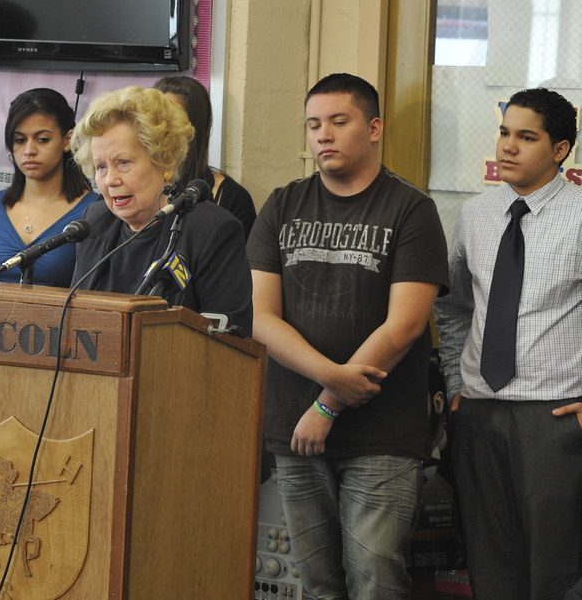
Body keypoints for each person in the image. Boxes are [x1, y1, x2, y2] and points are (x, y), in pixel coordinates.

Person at [246, 73, 448, 599]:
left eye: (339, 121)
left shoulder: (411, 209)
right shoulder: (282, 204)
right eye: (314, 124)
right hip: (294, 427)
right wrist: (330, 381)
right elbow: (260, 316)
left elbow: (405, 325)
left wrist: (328, 405)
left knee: (375, 581)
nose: (323, 135)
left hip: (381, 435)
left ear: (374, 128)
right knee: (318, 586)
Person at [435, 87, 582, 600]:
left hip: (554, 417)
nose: (508, 146)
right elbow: (453, 307)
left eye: (526, 137)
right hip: (477, 412)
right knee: (489, 566)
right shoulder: (476, 214)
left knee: (554, 571)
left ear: (560, 150)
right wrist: (455, 381)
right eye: (504, 133)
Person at [69, 85, 252, 334]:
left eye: (123, 162)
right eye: (101, 167)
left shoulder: (213, 230)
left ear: (163, 160)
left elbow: (230, 341)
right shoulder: (94, 221)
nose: (110, 180)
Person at [0, 88, 98, 286]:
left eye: (42, 139)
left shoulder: (95, 211)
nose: (29, 150)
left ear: (67, 140)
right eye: (20, 140)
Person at [153, 75, 257, 239]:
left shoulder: (232, 197)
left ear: (195, 126)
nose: (161, 127)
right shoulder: (135, 188)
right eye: (155, 118)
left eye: (173, 118)